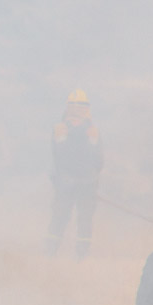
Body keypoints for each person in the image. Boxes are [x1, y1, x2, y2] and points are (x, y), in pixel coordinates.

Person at [47, 88, 103, 258]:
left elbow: (99, 161)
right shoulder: (60, 129)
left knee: (84, 221)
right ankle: (50, 253)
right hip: (66, 183)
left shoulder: (93, 131)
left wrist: (90, 179)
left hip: (87, 184)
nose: (77, 112)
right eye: (73, 107)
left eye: (80, 108)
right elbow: (58, 157)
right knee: (59, 218)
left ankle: (81, 257)